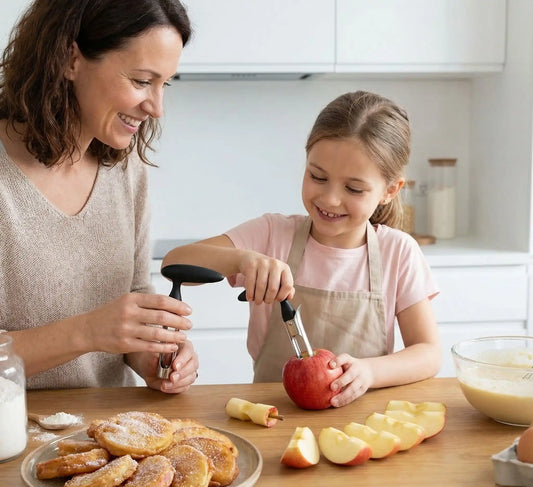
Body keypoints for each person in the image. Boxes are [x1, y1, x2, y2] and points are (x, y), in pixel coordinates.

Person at [163, 90, 441, 407]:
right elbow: (175, 263)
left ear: (390, 190)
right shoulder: (271, 234)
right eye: (317, 176)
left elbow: (429, 354)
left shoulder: (398, 252)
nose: (329, 198)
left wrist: (369, 371)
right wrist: (243, 259)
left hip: (361, 425)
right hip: (271, 419)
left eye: (353, 188)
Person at [0, 0, 198, 393]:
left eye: (165, 84)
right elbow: (99, 329)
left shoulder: (126, 171)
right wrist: (89, 331)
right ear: (70, 59)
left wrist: (154, 355)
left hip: (107, 436)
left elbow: (135, 291)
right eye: (142, 81)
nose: (156, 108)